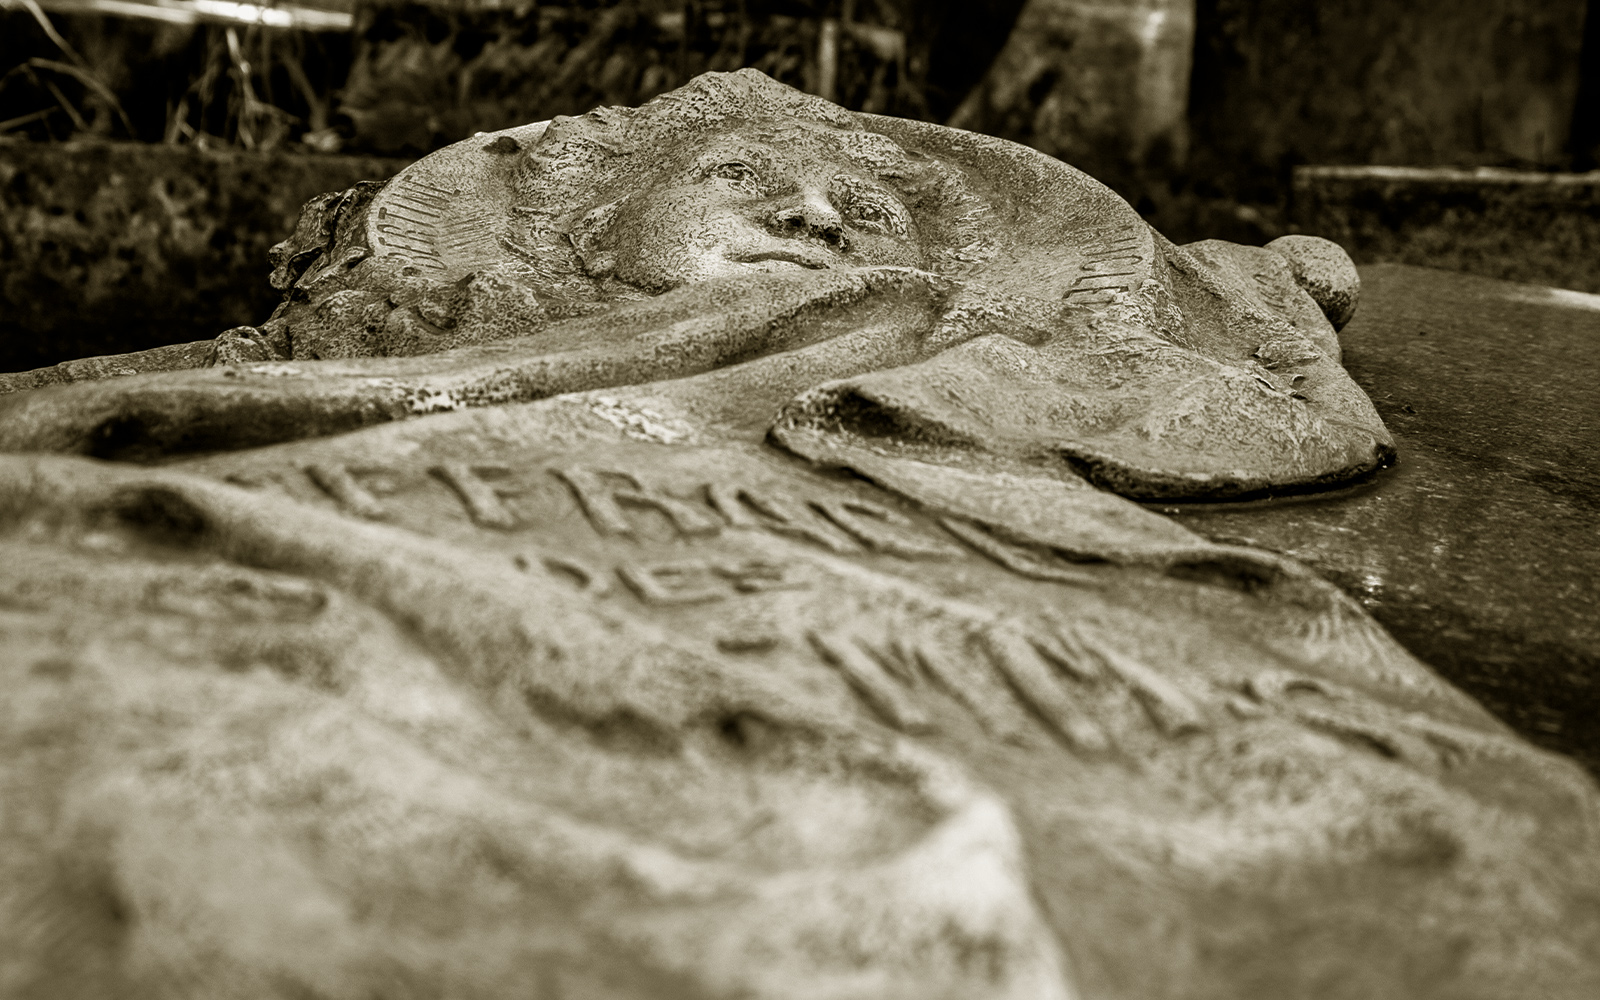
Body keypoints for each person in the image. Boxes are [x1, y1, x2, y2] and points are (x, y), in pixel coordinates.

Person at [1, 70, 1595, 999]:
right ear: (597, 218)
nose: (824, 214)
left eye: (875, 207)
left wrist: (1245, 290)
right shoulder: (401, 341)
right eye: (741, 176)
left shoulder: (973, 363)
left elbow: (1251, 373)